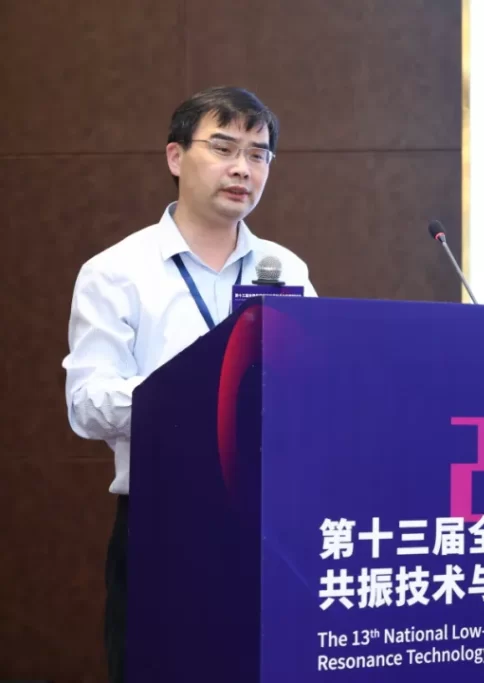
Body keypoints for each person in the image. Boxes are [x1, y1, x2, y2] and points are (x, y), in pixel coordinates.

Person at [61, 86, 316, 683]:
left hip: (269, 523)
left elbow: (309, 389)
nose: (242, 168)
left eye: (258, 154)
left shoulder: (286, 269)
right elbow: (86, 403)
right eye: (223, 148)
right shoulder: (116, 272)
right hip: (163, 522)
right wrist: (187, 396)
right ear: (176, 156)